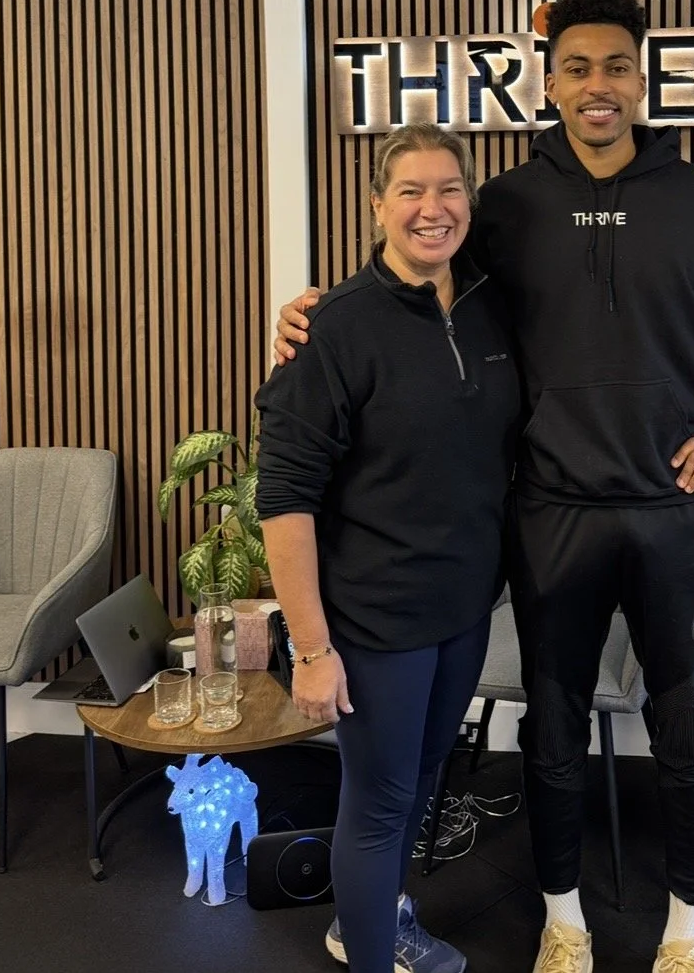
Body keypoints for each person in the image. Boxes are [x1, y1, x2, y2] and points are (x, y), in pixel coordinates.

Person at [276, 0, 694, 973]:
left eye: (617, 65)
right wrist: (322, 313)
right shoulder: (510, 206)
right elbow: (416, 262)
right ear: (551, 81)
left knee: (689, 732)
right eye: (577, 67)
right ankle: (562, 921)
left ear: (644, 75)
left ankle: (686, 934)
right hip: (551, 512)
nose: (598, 84)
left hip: (675, 512)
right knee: (553, 732)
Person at [256, 123, 521, 973]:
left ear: (469, 203)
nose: (431, 208)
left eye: (448, 189)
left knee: (422, 778)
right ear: (378, 206)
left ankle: (369, 921)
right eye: (409, 191)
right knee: (377, 803)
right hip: (374, 620)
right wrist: (311, 648)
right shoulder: (332, 328)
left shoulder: (491, 303)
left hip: (461, 608)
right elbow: (284, 499)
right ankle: (370, 951)